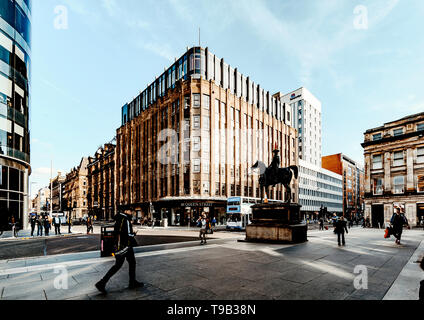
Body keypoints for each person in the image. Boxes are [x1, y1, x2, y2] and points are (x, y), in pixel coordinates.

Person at [95, 209, 143, 294]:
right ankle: (101, 283)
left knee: (130, 262)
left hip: (120, 245)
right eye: (130, 211)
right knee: (120, 265)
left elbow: (119, 232)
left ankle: (132, 281)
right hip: (125, 246)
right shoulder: (126, 220)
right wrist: (134, 234)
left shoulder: (119, 219)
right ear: (126, 211)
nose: (131, 213)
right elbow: (128, 234)